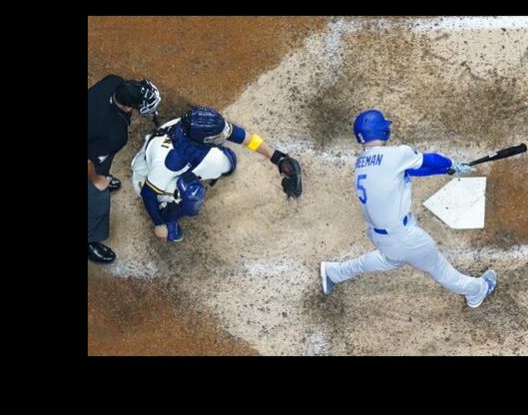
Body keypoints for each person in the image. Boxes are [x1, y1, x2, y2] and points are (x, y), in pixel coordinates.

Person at [319, 109, 497, 308]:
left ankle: (335, 272)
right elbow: (429, 160)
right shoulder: (397, 154)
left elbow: (411, 170)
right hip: (403, 236)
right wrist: (451, 163)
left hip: (380, 235)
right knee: (439, 268)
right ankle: (477, 290)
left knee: (391, 259)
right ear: (382, 130)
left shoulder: (363, 162)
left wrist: (446, 170)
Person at [131, 106, 302, 242]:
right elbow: (148, 194)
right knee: (191, 193)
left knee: (228, 162)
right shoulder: (170, 162)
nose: (224, 135)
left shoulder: (201, 126)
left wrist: (276, 157)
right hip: (147, 176)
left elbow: (246, 139)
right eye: (217, 136)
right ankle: (168, 215)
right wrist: (158, 224)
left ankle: (177, 197)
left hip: (189, 156)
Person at [87, 76, 161, 263]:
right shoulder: (113, 134)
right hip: (91, 155)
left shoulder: (112, 81)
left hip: (93, 137)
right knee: (98, 198)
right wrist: (97, 180)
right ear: (129, 106)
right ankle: (90, 240)